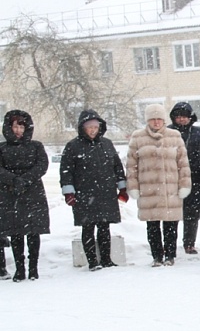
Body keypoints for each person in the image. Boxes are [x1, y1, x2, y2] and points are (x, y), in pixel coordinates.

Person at [60, 110, 127, 271]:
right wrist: (69, 192)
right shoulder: (73, 146)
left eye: (95, 126)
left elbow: (117, 167)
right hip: (84, 194)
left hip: (106, 192)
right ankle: (92, 261)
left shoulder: (107, 144)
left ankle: (106, 259)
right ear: (82, 127)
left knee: (105, 227)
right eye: (89, 126)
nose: (92, 130)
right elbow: (66, 171)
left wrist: (122, 187)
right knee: (88, 227)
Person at [127, 104, 192, 266]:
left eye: (159, 119)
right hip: (149, 190)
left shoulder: (175, 136)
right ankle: (157, 256)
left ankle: (170, 255)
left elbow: (183, 164)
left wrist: (184, 184)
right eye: (152, 119)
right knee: (153, 225)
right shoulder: (137, 137)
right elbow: (131, 166)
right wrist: (133, 187)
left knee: (171, 225)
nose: (156, 122)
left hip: (170, 189)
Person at [0, 110, 50, 281]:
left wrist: (26, 179)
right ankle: (19, 269)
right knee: (16, 232)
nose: (19, 130)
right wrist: (14, 180)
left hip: (33, 192)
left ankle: (33, 268)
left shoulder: (36, 146)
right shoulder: (2, 148)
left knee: (33, 231)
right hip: (10, 193)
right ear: (9, 128)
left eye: (22, 126)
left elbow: (42, 165)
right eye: (15, 126)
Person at [168, 102, 200, 255]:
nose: (182, 120)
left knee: (193, 213)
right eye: (179, 117)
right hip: (173, 179)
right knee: (173, 213)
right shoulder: (168, 133)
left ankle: (189, 243)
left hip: (195, 179)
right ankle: (171, 243)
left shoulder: (199, 133)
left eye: (185, 116)